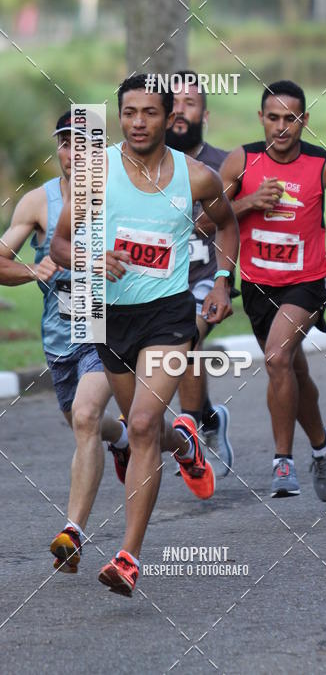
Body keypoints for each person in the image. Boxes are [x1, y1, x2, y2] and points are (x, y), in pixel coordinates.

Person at [51, 75, 239, 596]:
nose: (138, 122)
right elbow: (61, 244)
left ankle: (128, 557)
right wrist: (92, 259)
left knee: (139, 425)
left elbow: (227, 225)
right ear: (119, 116)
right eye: (129, 112)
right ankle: (186, 444)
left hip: (169, 316)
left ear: (168, 117)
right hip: (110, 317)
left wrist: (223, 280)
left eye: (149, 113)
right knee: (148, 433)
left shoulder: (196, 177)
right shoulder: (96, 171)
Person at [0, 112, 128, 574]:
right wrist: (31, 270)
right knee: (82, 420)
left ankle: (72, 533)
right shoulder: (39, 202)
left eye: (85, 144)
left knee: (86, 416)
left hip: (109, 327)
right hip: (60, 335)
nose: (74, 153)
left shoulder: (122, 195)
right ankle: (138, 440)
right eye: (66, 143)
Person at [219, 80, 326, 499]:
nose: (282, 127)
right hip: (258, 284)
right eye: (273, 117)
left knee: (276, 357)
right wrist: (248, 202)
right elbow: (207, 220)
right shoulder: (240, 161)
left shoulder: (323, 163)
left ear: (305, 120)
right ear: (261, 118)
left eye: (291, 118)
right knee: (292, 370)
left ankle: (283, 462)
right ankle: (322, 445)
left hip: (308, 280)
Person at [166, 71, 233, 475]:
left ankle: (189, 431)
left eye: (189, 104)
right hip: (158, 280)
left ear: (205, 115)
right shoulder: (146, 164)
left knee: (186, 337)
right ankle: (209, 419)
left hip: (206, 276)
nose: (179, 111)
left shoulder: (224, 165)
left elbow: (233, 222)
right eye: (173, 103)